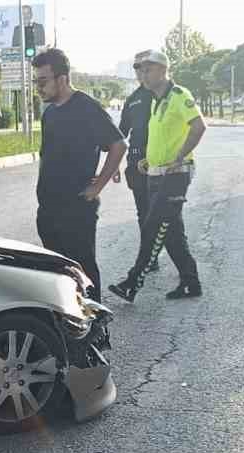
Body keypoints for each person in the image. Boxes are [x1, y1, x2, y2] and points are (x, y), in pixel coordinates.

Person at [109, 49, 207, 303]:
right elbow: (163, 138)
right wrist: (147, 161)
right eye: (140, 69)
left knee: (152, 228)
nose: (143, 73)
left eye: (148, 68)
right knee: (172, 233)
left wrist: (180, 156)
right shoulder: (155, 101)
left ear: (163, 70)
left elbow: (199, 127)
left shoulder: (178, 95)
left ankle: (132, 283)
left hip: (175, 175)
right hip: (155, 172)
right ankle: (190, 282)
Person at [32, 48, 126, 302]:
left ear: (62, 79)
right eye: (36, 82)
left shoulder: (86, 107)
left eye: (43, 81)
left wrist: (97, 187)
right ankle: (70, 325)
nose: (38, 88)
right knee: (57, 272)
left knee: (82, 270)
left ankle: (95, 328)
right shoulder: (49, 113)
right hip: (48, 209)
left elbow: (117, 144)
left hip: (76, 208)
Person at [116, 50, 158, 251]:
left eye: (144, 67)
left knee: (167, 214)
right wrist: (114, 162)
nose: (140, 71)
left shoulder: (164, 94)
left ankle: (184, 267)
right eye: (137, 67)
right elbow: (121, 133)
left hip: (161, 162)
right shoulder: (132, 99)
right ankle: (149, 256)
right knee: (144, 212)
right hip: (136, 162)